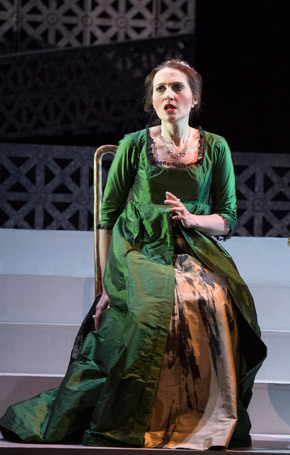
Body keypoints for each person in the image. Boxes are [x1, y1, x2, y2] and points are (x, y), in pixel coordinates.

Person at [0, 59, 266, 449]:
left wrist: (193, 219)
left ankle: (196, 416)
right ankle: (145, 417)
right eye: (160, 89)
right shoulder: (134, 144)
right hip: (139, 246)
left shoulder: (216, 147)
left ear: (195, 97)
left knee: (214, 300)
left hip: (192, 245)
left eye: (177, 87)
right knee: (155, 308)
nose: (168, 96)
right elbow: (107, 217)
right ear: (151, 100)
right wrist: (109, 282)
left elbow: (227, 219)